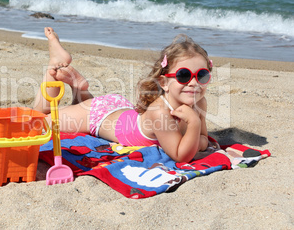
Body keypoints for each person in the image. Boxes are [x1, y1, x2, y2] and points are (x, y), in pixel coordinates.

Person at [34, 27, 215, 163]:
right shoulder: (160, 113)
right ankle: (55, 63)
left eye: (202, 75)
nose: (193, 83)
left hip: (119, 110)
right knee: (38, 120)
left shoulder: (200, 102)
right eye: (183, 76)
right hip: (97, 115)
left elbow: (203, 140)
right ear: (164, 83)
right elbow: (181, 155)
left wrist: (196, 135)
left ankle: (79, 89)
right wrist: (194, 124)